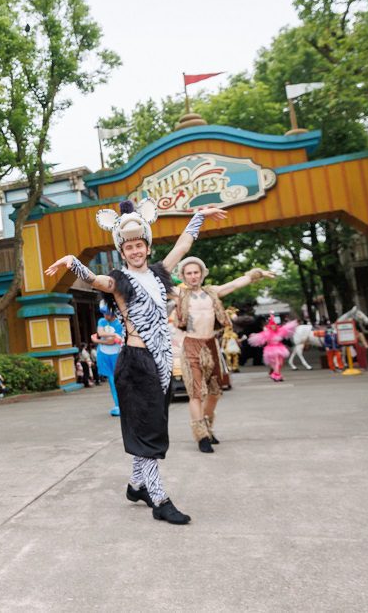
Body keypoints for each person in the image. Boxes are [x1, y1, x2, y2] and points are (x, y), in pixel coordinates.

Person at [45, 199, 228, 525]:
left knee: (151, 424)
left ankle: (136, 485)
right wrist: (73, 262)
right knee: (149, 429)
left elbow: (183, 245)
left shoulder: (160, 275)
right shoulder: (120, 281)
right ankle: (158, 497)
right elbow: (95, 281)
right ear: (122, 249)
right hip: (136, 360)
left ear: (146, 245)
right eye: (129, 246)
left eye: (140, 245)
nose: (135, 250)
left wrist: (199, 217)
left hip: (161, 359)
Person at [173, 257, 275, 452]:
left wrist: (258, 273)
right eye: (189, 273)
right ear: (183, 276)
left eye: (196, 272)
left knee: (214, 393)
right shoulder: (179, 293)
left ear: (202, 274)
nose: (193, 276)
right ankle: (201, 435)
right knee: (195, 393)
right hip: (191, 345)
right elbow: (154, 286)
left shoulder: (213, 292)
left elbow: (236, 283)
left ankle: (207, 426)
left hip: (211, 344)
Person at [91, 305, 124, 416]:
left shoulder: (119, 323)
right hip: (104, 355)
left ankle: (123, 404)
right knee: (111, 381)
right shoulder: (102, 320)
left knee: (119, 379)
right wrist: (113, 334)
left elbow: (112, 342)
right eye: (104, 313)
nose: (105, 316)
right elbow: (100, 333)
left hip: (116, 354)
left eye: (107, 314)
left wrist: (98, 341)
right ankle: (117, 405)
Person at [249, 314, 298, 382]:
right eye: (272, 326)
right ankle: (276, 375)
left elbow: (287, 329)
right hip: (271, 349)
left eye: (274, 325)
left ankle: (276, 374)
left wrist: (272, 317)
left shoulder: (280, 331)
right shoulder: (267, 333)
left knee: (280, 363)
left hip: (280, 348)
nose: (274, 327)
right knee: (277, 363)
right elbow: (261, 338)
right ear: (270, 327)